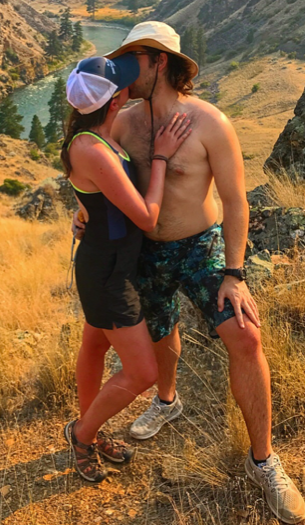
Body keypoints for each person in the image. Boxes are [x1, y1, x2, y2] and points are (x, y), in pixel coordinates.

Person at [72, 22, 305, 523]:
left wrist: (235, 273)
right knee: (159, 334)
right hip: (142, 254)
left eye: (134, 56)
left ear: (159, 60)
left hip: (201, 248)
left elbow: (235, 202)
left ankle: (263, 461)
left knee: (244, 336)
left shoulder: (210, 123)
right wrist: (85, 210)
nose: (124, 68)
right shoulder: (124, 121)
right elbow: (95, 172)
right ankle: (167, 400)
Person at [62, 54, 192, 483]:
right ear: (116, 99)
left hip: (110, 264)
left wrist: (84, 211)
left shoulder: (95, 137)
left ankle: (91, 427)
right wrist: (160, 156)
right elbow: (146, 217)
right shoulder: (90, 147)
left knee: (95, 347)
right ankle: (81, 434)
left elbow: (92, 196)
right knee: (143, 372)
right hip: (107, 274)